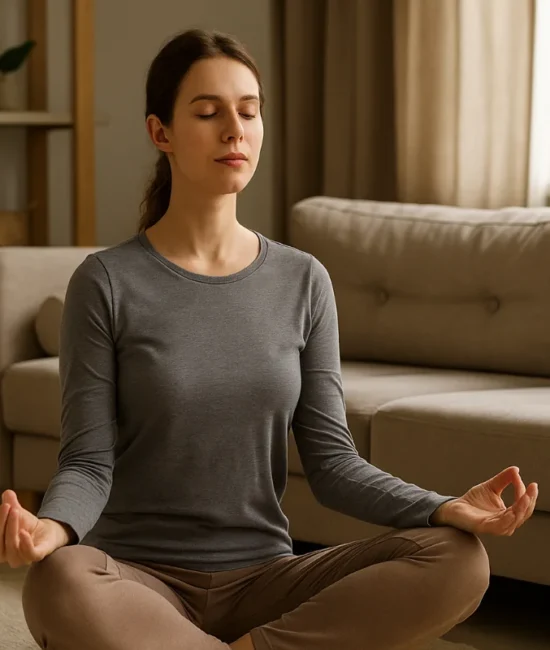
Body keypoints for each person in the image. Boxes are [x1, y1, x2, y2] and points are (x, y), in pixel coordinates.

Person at [0, 28, 538, 650]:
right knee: (59, 581)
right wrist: (55, 529)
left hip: (267, 580)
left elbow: (334, 466)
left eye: (249, 112)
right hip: (134, 580)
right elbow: (89, 464)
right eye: (209, 112)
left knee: (459, 558)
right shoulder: (107, 282)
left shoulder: (303, 279)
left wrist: (444, 507)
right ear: (161, 133)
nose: (235, 129)